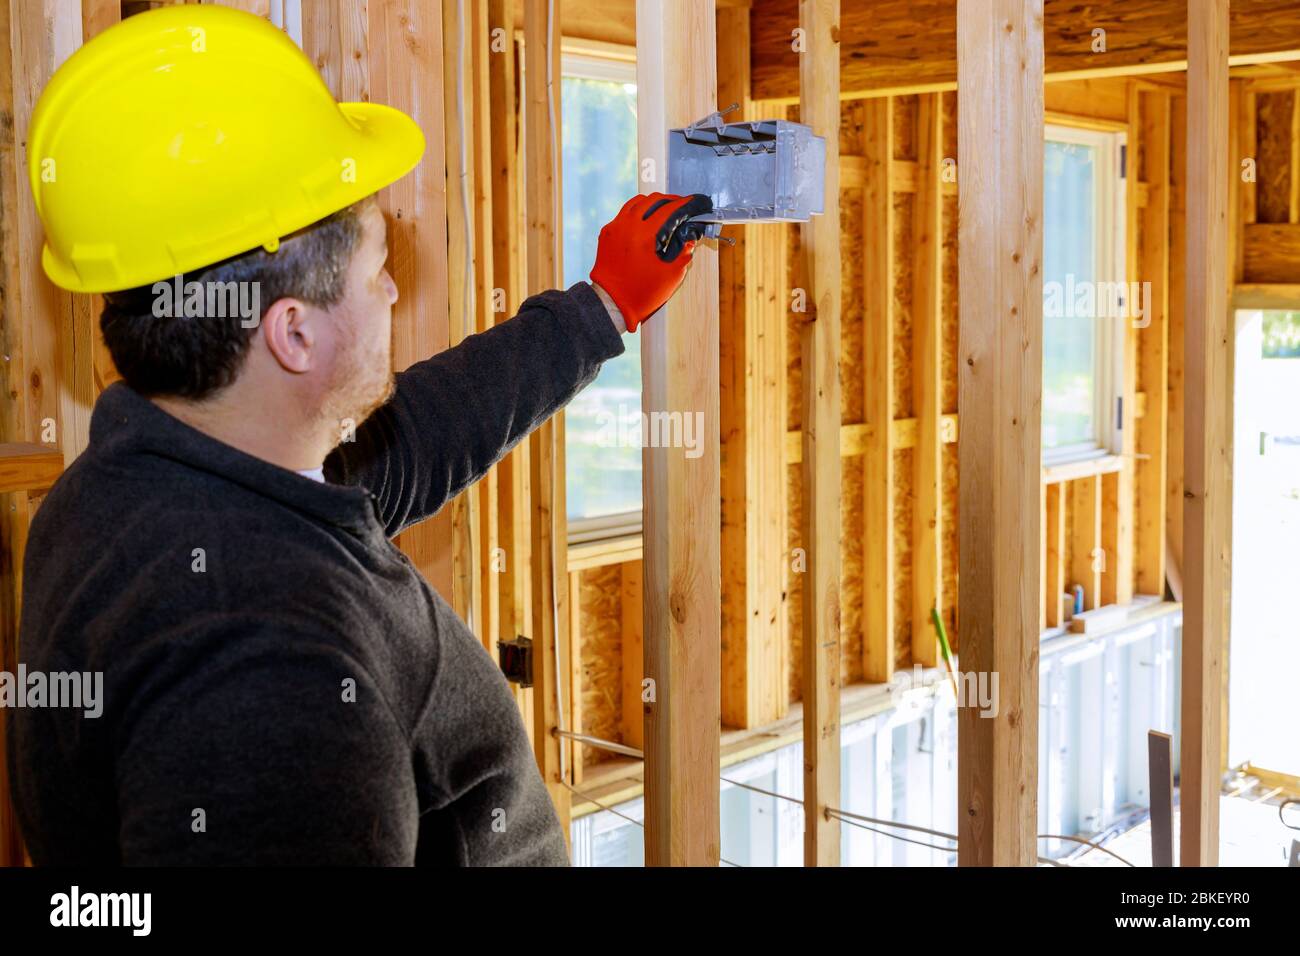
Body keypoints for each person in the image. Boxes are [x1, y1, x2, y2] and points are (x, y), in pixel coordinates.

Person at [9, 4, 706, 865]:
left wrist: (602, 306)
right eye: (380, 269)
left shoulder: (147, 480)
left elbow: (405, 444)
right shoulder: (270, 681)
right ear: (293, 333)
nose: (388, 295)